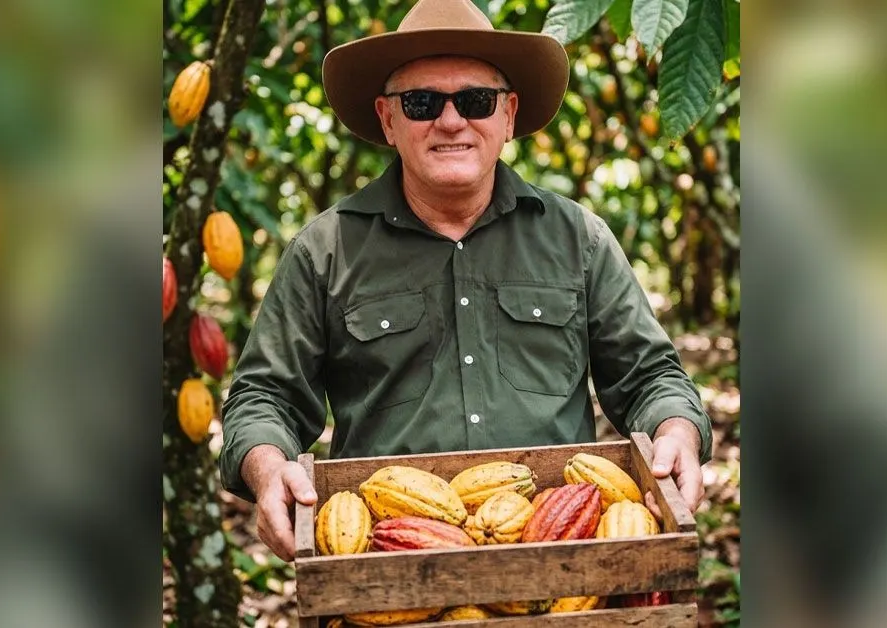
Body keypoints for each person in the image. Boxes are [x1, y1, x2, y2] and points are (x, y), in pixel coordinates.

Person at [219, 0, 712, 561]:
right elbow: (265, 396)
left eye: (476, 100)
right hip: (385, 558)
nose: (451, 121)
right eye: (422, 102)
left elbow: (650, 376)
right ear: (388, 119)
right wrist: (268, 469)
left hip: (561, 554)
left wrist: (677, 432)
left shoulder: (579, 239)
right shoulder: (325, 250)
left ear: (508, 115)